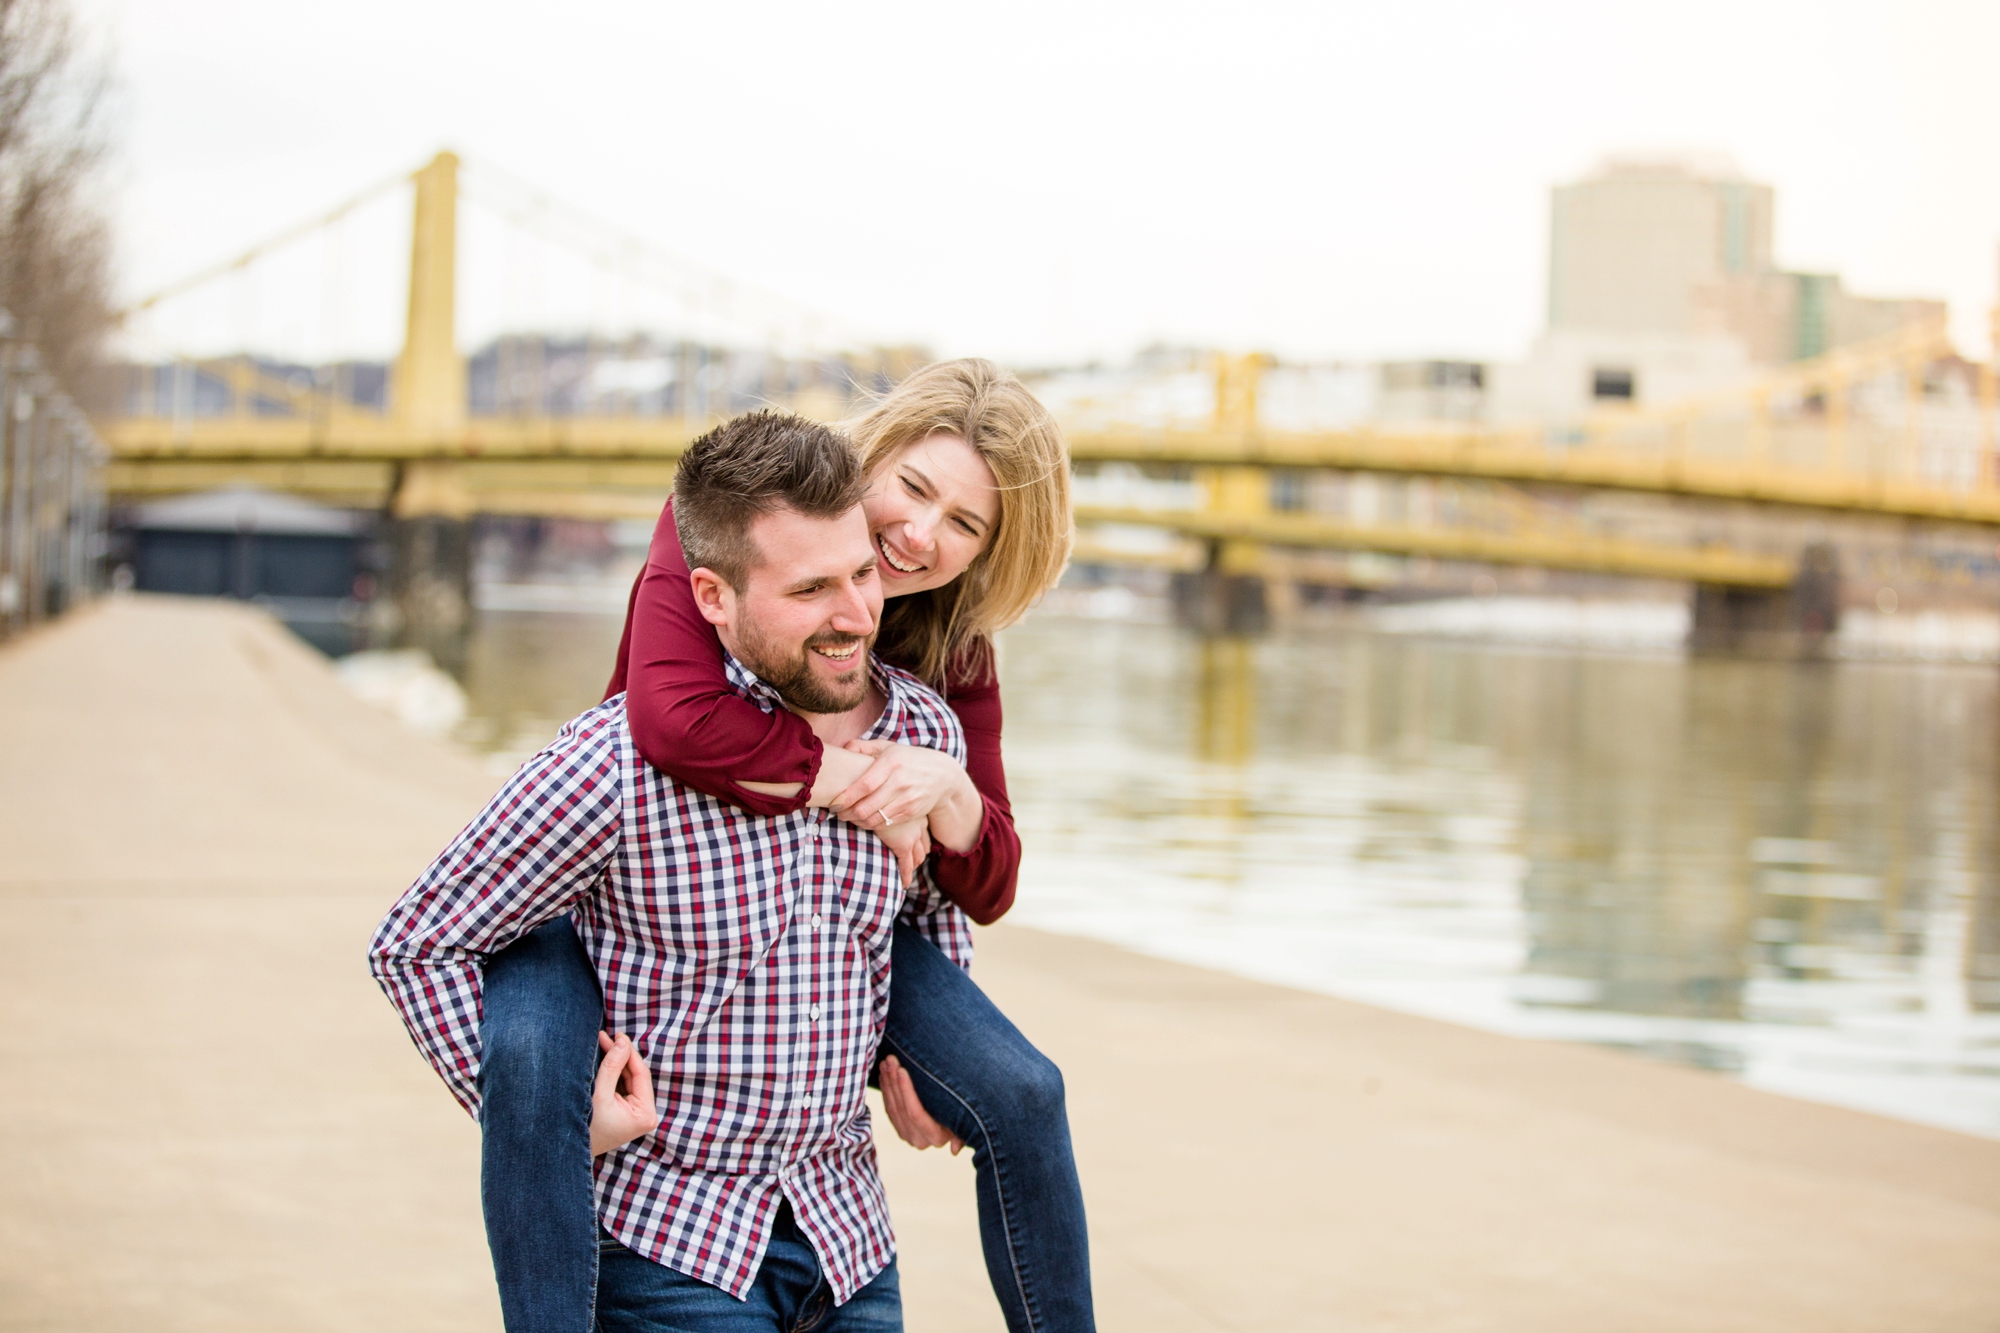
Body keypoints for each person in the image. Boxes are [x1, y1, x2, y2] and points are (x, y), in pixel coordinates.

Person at [481, 360, 1093, 1333]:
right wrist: (861, 783)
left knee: (1022, 1093)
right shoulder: (737, 521)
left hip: (832, 917)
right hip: (650, 881)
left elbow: (984, 880)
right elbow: (674, 721)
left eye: (965, 525)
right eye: (916, 488)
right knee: (529, 1068)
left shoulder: (953, 649)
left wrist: (941, 790)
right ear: (872, 455)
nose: (920, 535)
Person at [373, 411, 970, 1330]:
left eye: (862, 574)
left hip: (851, 1241)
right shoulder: (614, 765)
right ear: (713, 596)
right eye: (811, 588)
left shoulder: (924, 735)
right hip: (672, 1246)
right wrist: (550, 1120)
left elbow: (931, 916)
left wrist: (931, 1070)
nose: (857, 615)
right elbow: (420, 943)